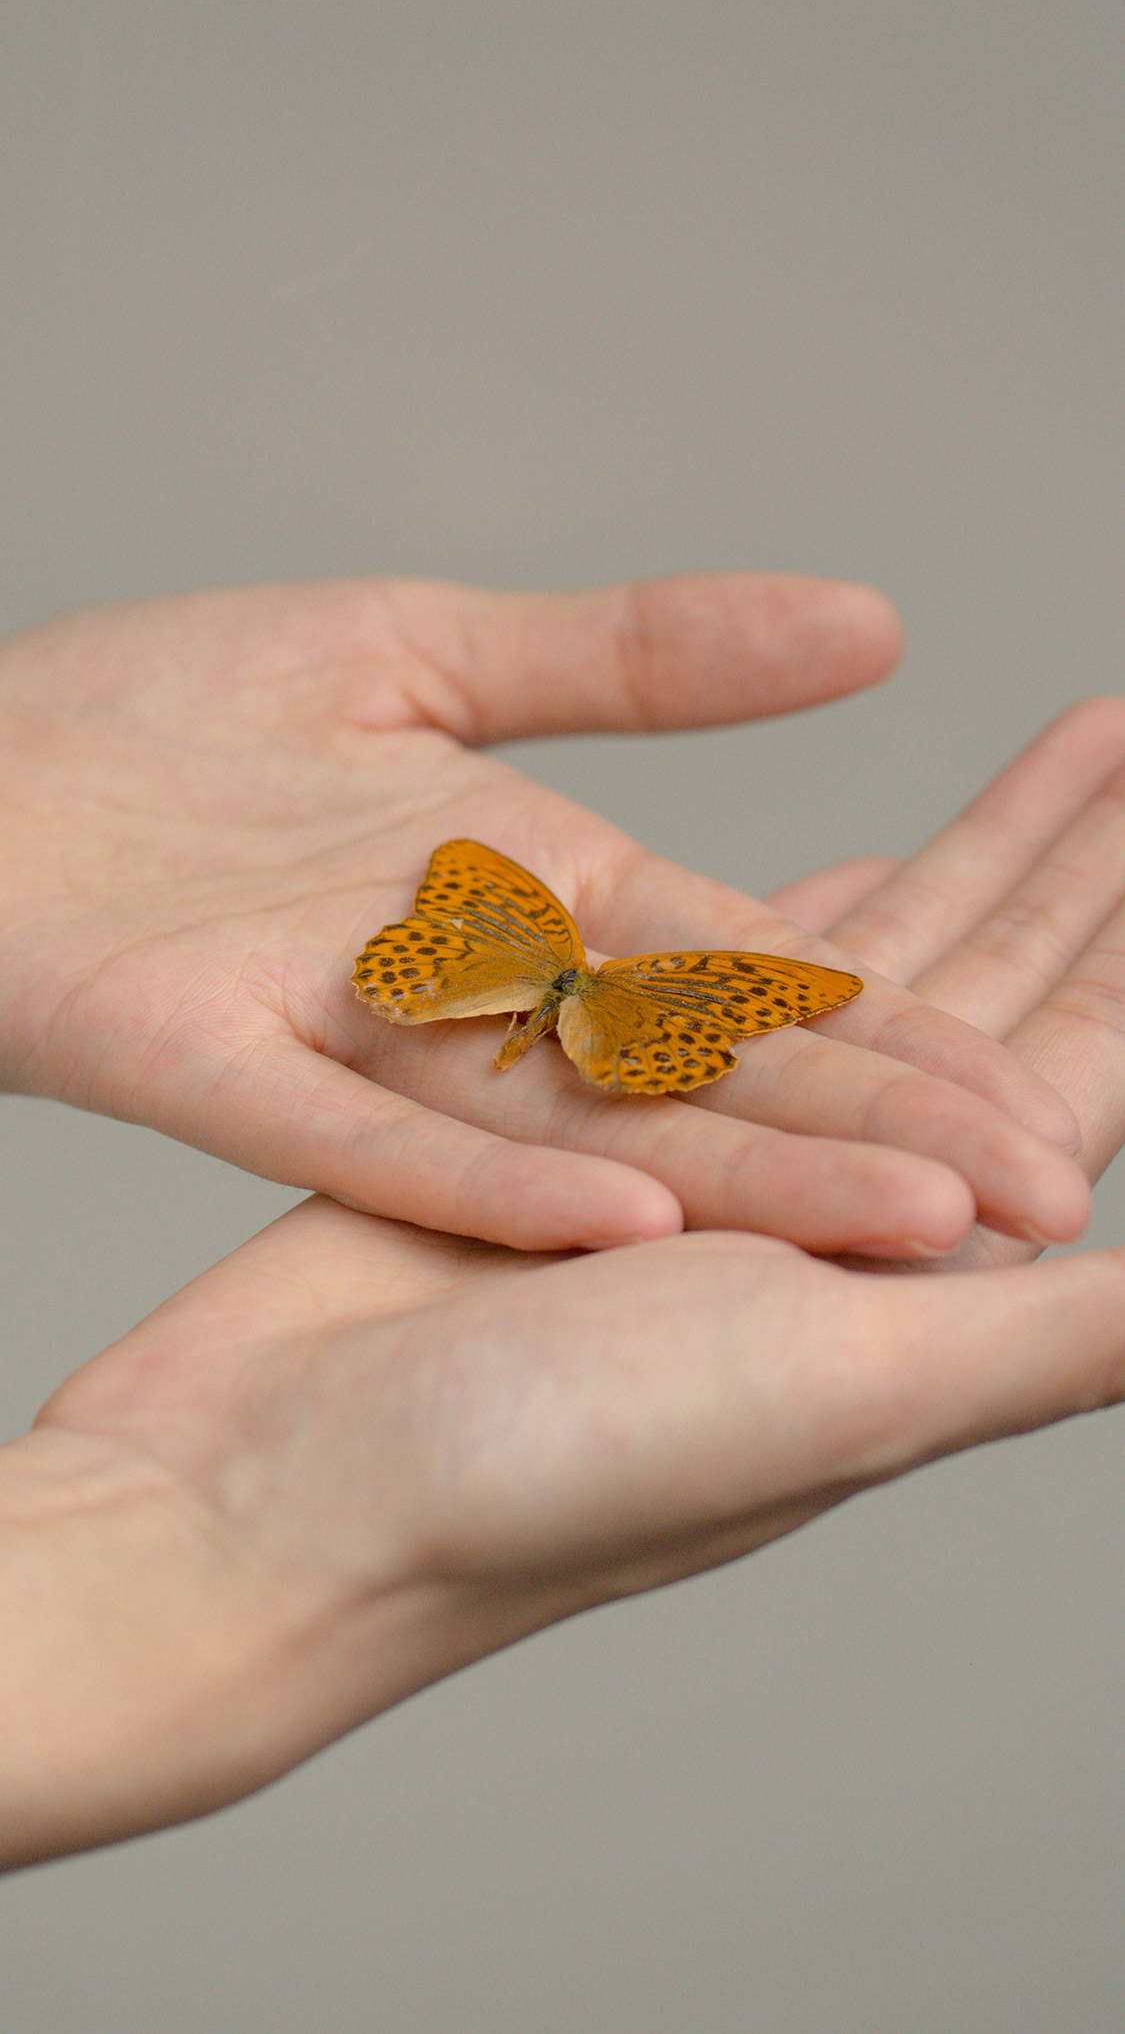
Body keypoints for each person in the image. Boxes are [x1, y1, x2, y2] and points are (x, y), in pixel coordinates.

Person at [2, 569, 1124, 1868]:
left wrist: (223, 1536)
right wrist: (220, 1532)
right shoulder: (607, 961)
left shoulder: (524, 925)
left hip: (509, 986)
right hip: (587, 1010)